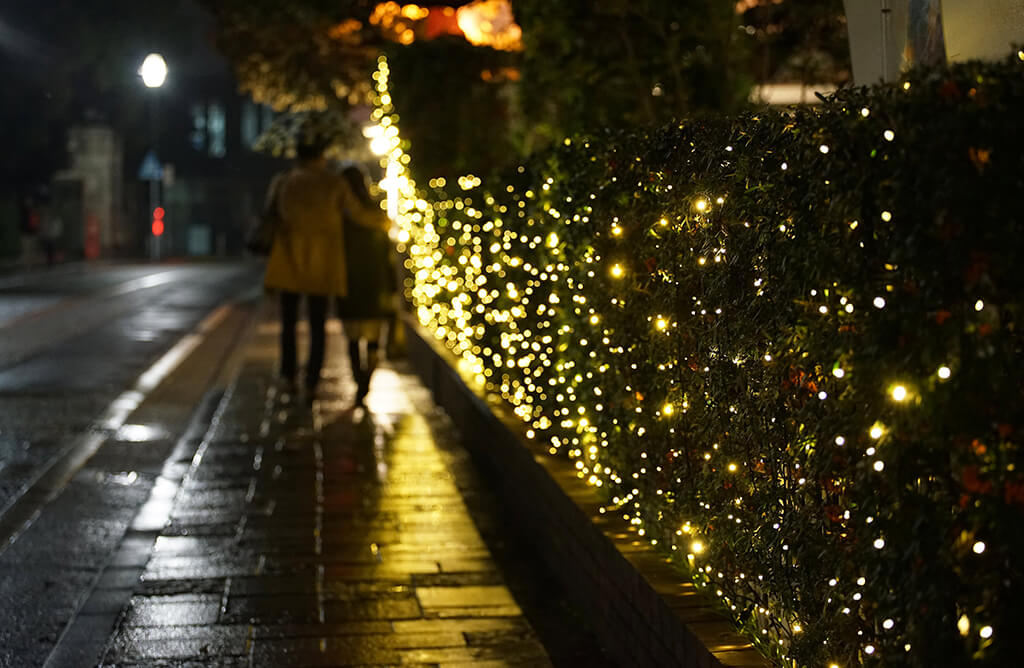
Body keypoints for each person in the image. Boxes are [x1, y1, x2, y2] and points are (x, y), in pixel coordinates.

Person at [263, 135, 388, 397]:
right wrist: (384, 222)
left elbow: (271, 217)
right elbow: (357, 213)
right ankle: (311, 380)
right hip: (322, 263)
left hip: (289, 261)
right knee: (317, 324)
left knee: (289, 322)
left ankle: (288, 375)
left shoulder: (284, 182)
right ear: (321, 155)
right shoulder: (334, 183)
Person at [337, 164, 396, 406]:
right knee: (373, 336)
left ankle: (358, 378)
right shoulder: (377, 214)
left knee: (352, 337)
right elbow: (386, 254)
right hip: (376, 282)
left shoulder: (341, 218)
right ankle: (366, 381)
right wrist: (391, 285)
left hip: (349, 283)